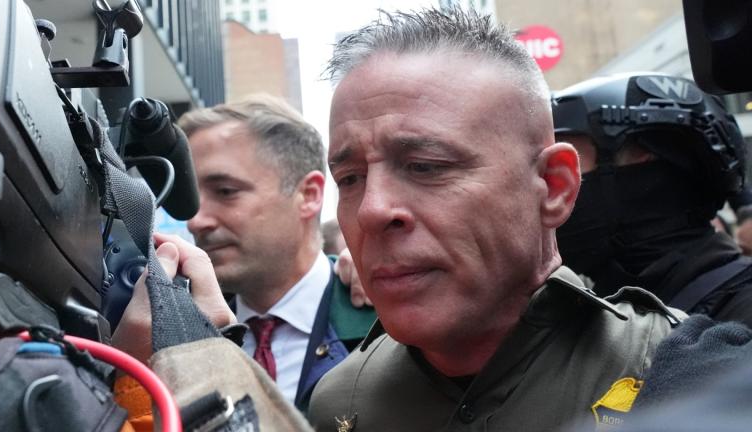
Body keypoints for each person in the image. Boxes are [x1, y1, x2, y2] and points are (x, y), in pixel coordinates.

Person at [307, 8, 682, 432]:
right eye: (350, 178)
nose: (371, 210)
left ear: (553, 187)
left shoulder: (680, 375)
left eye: (425, 166)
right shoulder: (341, 403)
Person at [176, 94, 375, 411]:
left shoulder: (384, 323)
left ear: (308, 195)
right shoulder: (178, 336)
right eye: (193, 198)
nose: (195, 221)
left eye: (226, 192)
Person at [552, 73, 752, 326]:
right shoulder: (587, 314)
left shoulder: (742, 315)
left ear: (644, 163)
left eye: (567, 164)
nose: (548, 189)